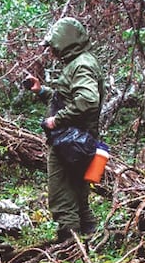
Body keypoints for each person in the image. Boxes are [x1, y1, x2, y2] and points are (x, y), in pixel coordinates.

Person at [22, 17, 105, 243]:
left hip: (70, 143)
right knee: (78, 193)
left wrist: (56, 121)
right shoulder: (80, 62)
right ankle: (89, 239)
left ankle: (69, 244)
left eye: (53, 47)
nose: (51, 52)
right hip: (79, 141)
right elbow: (67, 99)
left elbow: (88, 101)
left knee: (61, 196)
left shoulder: (81, 65)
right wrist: (41, 91)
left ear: (64, 43)